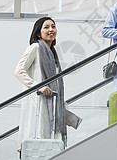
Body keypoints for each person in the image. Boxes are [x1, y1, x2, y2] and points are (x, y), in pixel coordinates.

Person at [14, 17, 82, 149]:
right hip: (37, 104)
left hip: (50, 105)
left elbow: (55, 85)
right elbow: (19, 71)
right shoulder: (35, 47)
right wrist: (38, 87)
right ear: (38, 33)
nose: (51, 30)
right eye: (46, 27)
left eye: (53, 26)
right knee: (38, 140)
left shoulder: (53, 54)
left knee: (48, 144)